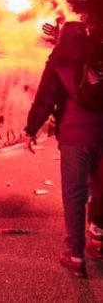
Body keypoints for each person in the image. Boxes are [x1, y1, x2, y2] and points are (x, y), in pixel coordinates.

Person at [23, 21, 103, 278]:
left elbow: (45, 97)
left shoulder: (60, 58)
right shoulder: (99, 52)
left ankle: (76, 255)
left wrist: (30, 130)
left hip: (73, 137)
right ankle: (99, 239)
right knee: (101, 189)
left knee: (75, 196)